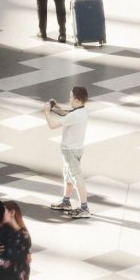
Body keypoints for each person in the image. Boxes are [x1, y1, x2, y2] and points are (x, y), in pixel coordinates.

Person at [48, 86, 91, 217]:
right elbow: (68, 114)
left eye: (71, 97)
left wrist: (46, 111)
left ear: (77, 100)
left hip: (71, 151)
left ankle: (84, 208)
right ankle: (66, 201)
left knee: (77, 178)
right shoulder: (82, 111)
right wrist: (57, 107)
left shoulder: (75, 115)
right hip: (74, 150)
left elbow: (52, 125)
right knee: (68, 176)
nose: (69, 99)